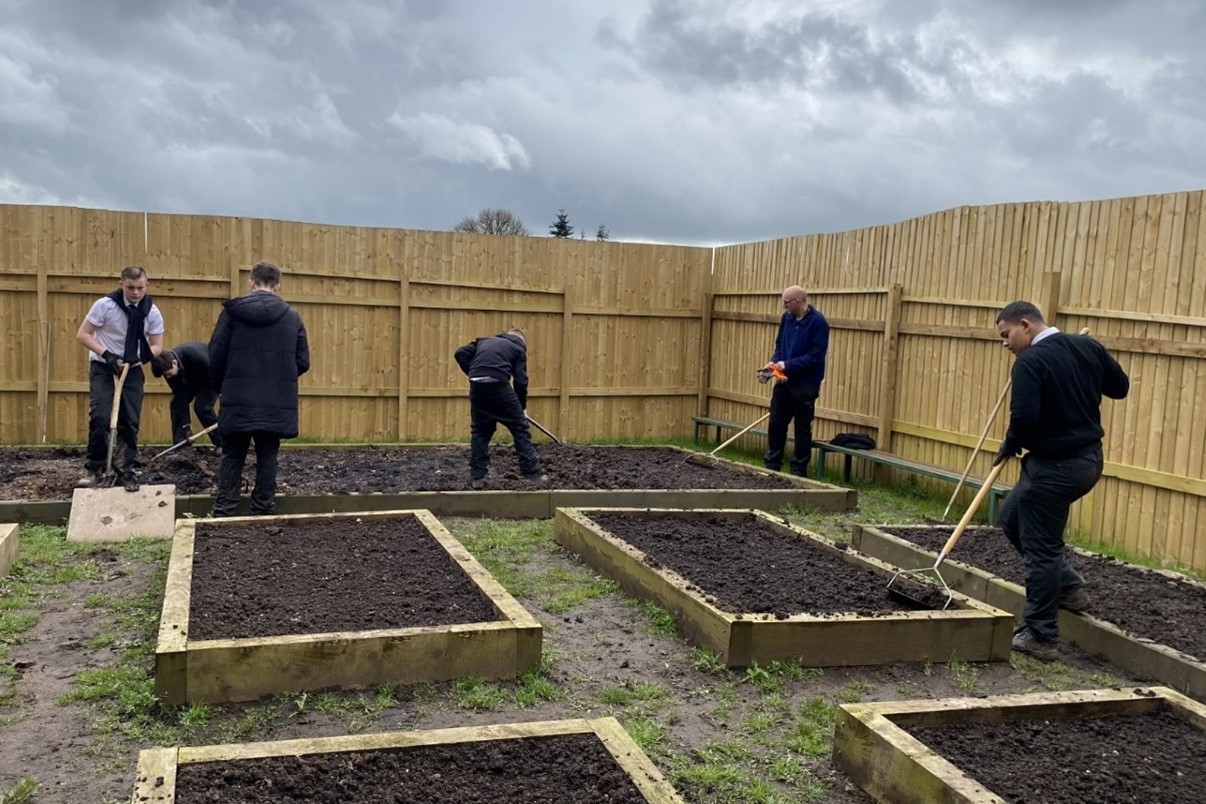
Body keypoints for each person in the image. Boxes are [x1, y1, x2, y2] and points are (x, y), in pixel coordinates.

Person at [993, 301, 1129, 661]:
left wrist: (1009, 444)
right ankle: (1069, 588)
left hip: (1055, 468)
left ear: (1025, 325)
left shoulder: (1030, 363)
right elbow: (1121, 387)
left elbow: (1023, 417)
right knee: (1011, 518)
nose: (1005, 344)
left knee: (1042, 548)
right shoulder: (1085, 347)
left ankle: (1041, 634)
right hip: (1087, 462)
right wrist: (1095, 356)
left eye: (1006, 336)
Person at [208, 261, 310, 516]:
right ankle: (263, 508)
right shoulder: (292, 317)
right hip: (275, 401)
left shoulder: (232, 313)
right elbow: (302, 361)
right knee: (268, 454)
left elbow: (215, 355)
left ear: (251, 282)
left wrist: (223, 385)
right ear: (277, 285)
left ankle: (224, 510)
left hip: (237, 398)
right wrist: (278, 379)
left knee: (232, 453)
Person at [75, 265, 165, 491]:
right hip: (104, 367)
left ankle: (125, 469)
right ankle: (94, 468)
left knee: (130, 421)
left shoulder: (151, 312)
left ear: (147, 285)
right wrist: (107, 354)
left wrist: (138, 357)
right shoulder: (105, 306)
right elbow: (83, 334)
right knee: (100, 417)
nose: (135, 293)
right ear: (121, 284)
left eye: (140, 288)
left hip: (132, 369)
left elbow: (157, 346)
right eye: (130, 288)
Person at [454, 328, 545, 489]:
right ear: (522, 342)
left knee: (480, 431)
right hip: (498, 386)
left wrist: (474, 372)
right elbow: (521, 381)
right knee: (520, 428)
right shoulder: (517, 349)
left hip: (477, 386)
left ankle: (477, 477)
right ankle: (532, 473)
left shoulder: (483, 341)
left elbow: (460, 353)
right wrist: (521, 408)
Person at [763, 285, 829, 477]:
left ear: (799, 302)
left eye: (787, 303)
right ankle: (772, 464)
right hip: (785, 380)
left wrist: (788, 365)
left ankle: (799, 470)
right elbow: (779, 345)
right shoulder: (787, 319)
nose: (784, 307)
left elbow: (816, 357)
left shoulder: (818, 323)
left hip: (806, 383)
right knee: (776, 421)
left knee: (801, 426)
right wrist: (774, 364)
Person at [150, 342, 223, 453]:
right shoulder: (168, 369)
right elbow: (181, 397)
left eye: (168, 374)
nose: (167, 377)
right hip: (191, 379)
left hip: (211, 377)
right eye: (165, 375)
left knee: (202, 408)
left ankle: (222, 443)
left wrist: (224, 393)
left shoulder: (195, 355)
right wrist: (186, 425)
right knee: (176, 405)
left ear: (174, 363)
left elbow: (217, 372)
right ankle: (181, 444)